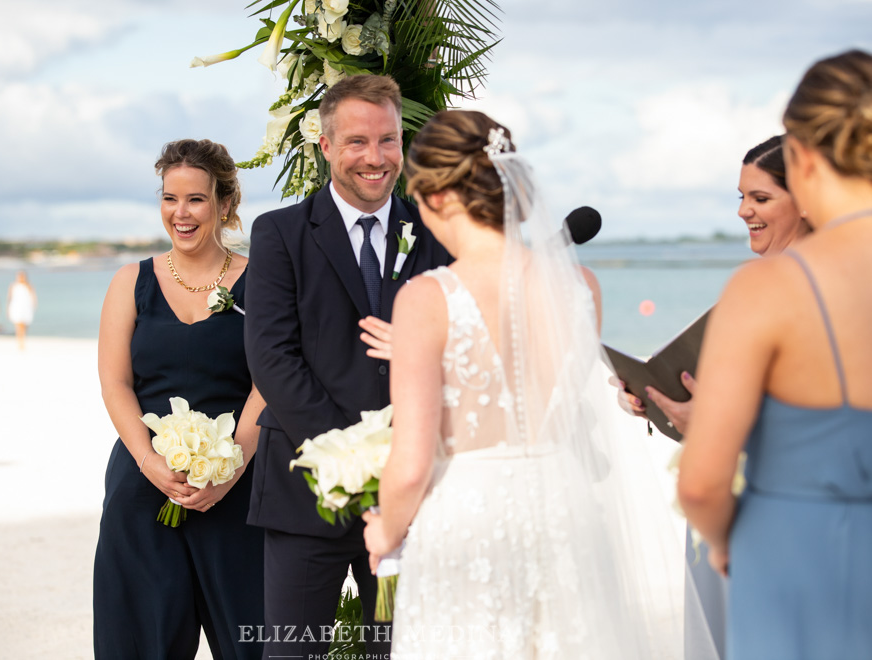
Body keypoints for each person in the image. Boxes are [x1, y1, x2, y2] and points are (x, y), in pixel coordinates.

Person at [362, 110, 715, 659]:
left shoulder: (426, 299)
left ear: (436, 195)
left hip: (469, 519)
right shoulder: (580, 287)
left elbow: (411, 465)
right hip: (565, 511)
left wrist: (383, 534)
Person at [244, 74, 451, 659]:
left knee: (400, 649)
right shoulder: (280, 234)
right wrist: (354, 458)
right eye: (357, 141)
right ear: (326, 146)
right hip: (306, 491)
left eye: (388, 140)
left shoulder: (432, 233)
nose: (376, 157)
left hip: (411, 502)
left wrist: (400, 461)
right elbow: (271, 356)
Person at [679, 49, 872, 660]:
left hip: (789, 559)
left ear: (805, 158)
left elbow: (703, 484)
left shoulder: (768, 289)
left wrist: (727, 543)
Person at [93, 139, 266, 659]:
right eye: (170, 198)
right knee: (141, 643)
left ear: (225, 205)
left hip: (241, 490)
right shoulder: (131, 282)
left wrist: (229, 467)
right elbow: (115, 382)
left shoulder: (263, 282)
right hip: (144, 488)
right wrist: (149, 462)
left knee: (251, 641)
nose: (181, 213)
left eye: (195, 199)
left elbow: (271, 381)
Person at [620, 135, 811, 435]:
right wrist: (653, 398)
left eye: (760, 199)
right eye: (742, 197)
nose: (743, 211)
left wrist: (716, 421)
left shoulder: (823, 289)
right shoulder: (754, 285)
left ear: (806, 202)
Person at [6, 270, 37, 350]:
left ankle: (22, 339)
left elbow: (33, 296)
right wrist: (8, 308)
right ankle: (20, 341)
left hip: (26, 307)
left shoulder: (29, 285)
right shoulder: (13, 285)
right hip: (16, 306)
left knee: (25, 324)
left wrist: (34, 306)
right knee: (18, 324)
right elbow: (9, 298)